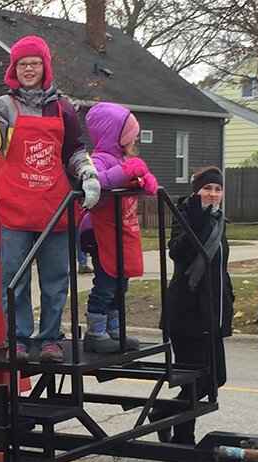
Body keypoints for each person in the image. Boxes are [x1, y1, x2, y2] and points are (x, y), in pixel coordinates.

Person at [0, 35, 101, 363]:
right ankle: (16, 339)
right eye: (22, 64)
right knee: (14, 277)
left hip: (55, 207)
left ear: (45, 67)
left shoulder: (63, 108)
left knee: (56, 278)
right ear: (13, 69)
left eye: (35, 63)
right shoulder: (3, 106)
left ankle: (50, 339)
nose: (28, 69)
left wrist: (88, 175)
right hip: (15, 205)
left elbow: (74, 149)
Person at [154, 166, 233, 445]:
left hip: (212, 313)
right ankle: (184, 438)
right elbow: (178, 251)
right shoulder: (185, 215)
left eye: (217, 189)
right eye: (207, 188)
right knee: (194, 378)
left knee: (216, 378)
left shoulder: (218, 219)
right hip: (187, 313)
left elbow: (219, 268)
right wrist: (197, 222)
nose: (212, 194)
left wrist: (228, 301)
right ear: (196, 190)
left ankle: (163, 412)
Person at [79, 102, 158, 353]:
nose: (133, 142)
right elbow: (96, 185)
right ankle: (95, 331)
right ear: (116, 135)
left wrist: (144, 182)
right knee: (106, 281)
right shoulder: (98, 159)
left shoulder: (123, 158)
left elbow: (129, 181)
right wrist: (125, 171)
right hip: (98, 231)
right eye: (129, 137)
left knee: (121, 282)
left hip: (121, 230)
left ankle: (114, 328)